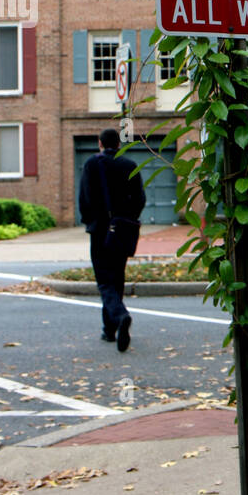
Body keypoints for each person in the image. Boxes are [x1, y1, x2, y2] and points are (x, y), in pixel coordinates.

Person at [78, 128, 146, 351]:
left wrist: (90, 221)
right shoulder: (129, 165)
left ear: (100, 143)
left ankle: (120, 316)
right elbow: (140, 199)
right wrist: (128, 219)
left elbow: (85, 198)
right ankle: (109, 330)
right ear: (118, 144)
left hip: (100, 230)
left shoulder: (91, 164)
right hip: (123, 229)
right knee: (117, 277)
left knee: (104, 281)